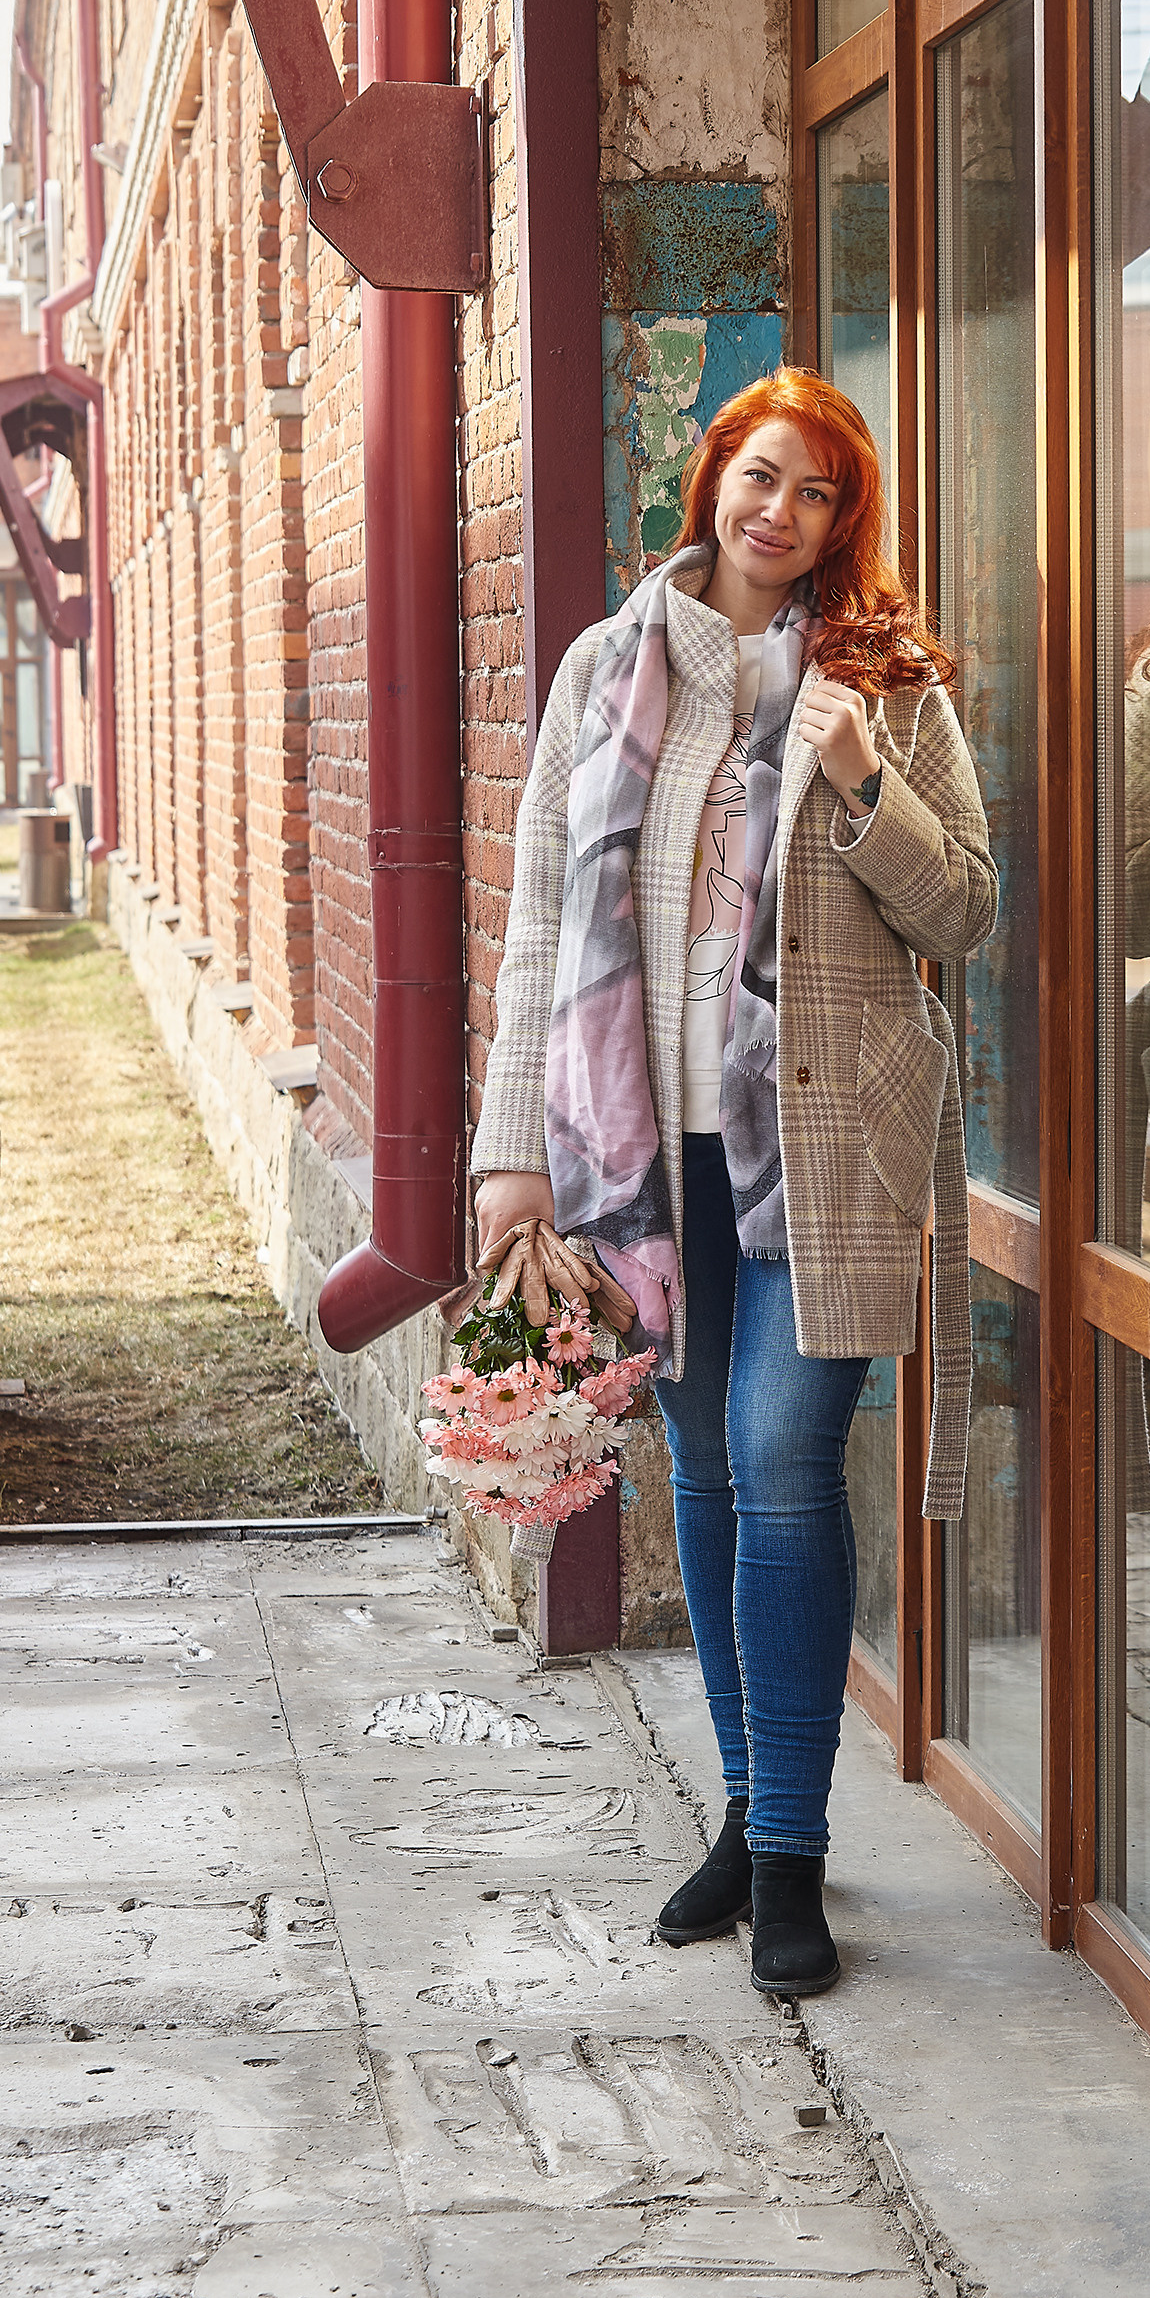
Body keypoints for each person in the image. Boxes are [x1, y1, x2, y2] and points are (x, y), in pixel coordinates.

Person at [472, 368, 998, 1996]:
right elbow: (544, 919)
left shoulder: (882, 685)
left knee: (781, 1448)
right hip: (649, 1152)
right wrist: (511, 1153)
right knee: (698, 1465)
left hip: (822, 1144)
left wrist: (860, 779)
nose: (780, 514)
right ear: (716, 479)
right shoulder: (603, 668)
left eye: (817, 495)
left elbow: (966, 911)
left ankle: (792, 1856)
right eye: (762, 478)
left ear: (847, 524)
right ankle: (750, 1800)